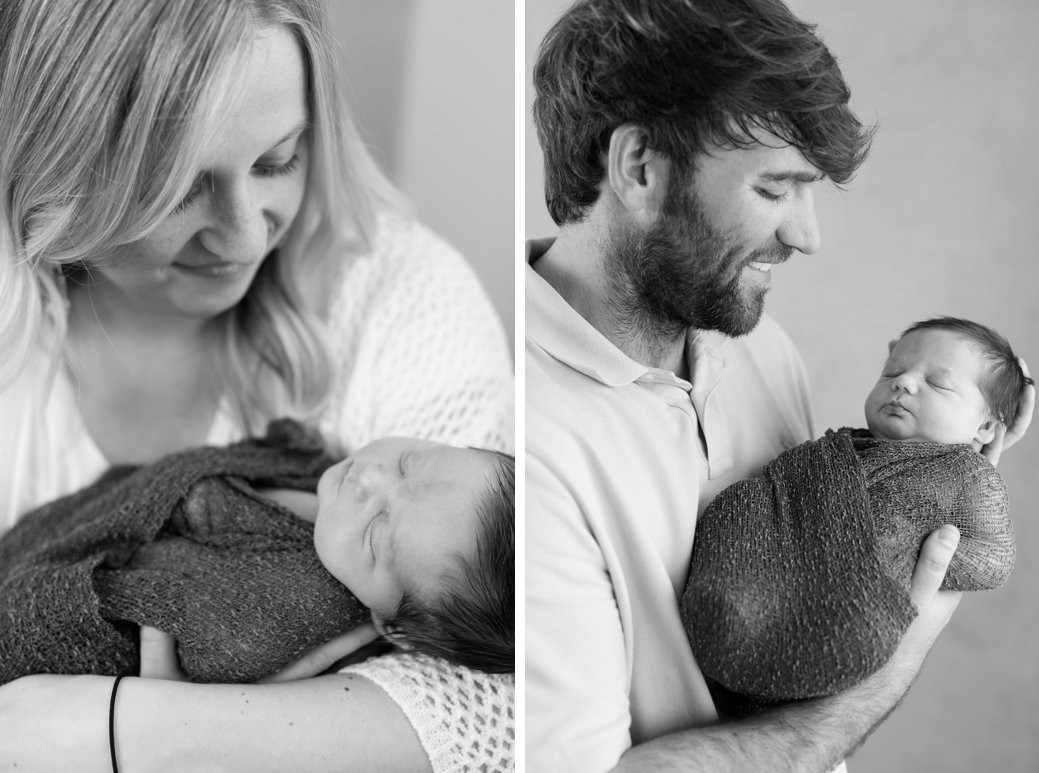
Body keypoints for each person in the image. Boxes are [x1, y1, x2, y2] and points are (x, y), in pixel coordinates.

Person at [0, 1, 514, 771]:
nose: (244, 238)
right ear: (59, 170)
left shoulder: (393, 295)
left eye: (278, 161)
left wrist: (126, 729)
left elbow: (513, 693)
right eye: (176, 189)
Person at [524, 2, 1033, 772]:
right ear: (638, 169)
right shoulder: (523, 437)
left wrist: (948, 476)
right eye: (774, 189)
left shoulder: (759, 345)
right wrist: (903, 649)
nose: (807, 235)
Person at [686, 317, 1032, 705]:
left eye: (937, 383)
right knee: (745, 501)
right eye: (892, 372)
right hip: (778, 565)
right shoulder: (841, 450)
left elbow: (996, 558)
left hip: (853, 598)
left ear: (986, 427)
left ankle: (778, 648)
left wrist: (917, 550)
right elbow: (788, 490)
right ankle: (729, 609)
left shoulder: (968, 475)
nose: (904, 383)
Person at [0, 427, 515, 683]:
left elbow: (194, 633)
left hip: (43, 626)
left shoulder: (285, 614)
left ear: (392, 626)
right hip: (48, 533)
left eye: (378, 528)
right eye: (409, 461)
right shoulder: (331, 490)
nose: (371, 478)